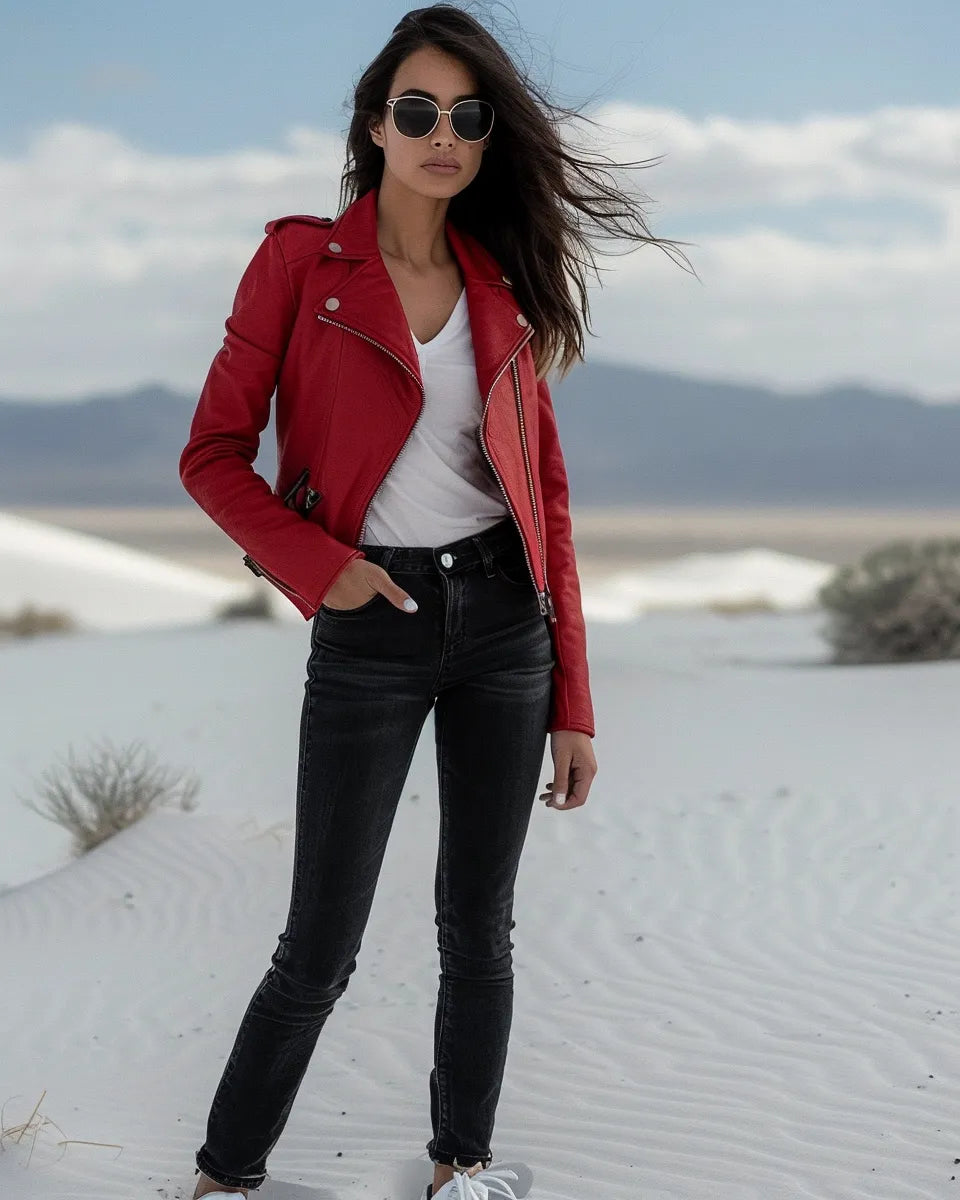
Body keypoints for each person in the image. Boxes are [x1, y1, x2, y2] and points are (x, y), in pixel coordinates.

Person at [179, 5, 690, 1197]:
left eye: (467, 116)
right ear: (376, 126)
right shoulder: (302, 263)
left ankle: (461, 1169)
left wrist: (577, 700)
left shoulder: (500, 284)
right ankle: (223, 1179)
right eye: (418, 111)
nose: (443, 134)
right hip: (372, 624)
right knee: (321, 944)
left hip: (505, 627)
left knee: (482, 933)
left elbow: (545, 502)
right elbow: (211, 456)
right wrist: (322, 569)